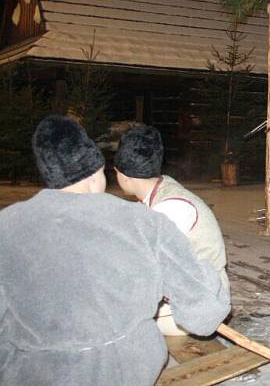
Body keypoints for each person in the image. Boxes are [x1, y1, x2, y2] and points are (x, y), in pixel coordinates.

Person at [0, 116, 229, 385]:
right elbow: (203, 315)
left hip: (32, 371)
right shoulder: (143, 223)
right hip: (124, 369)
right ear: (98, 173)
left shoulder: (6, 225)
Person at [114, 124, 229, 335]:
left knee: (108, 315)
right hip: (187, 291)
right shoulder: (160, 193)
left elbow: (143, 269)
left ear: (121, 175)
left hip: (201, 302)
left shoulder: (171, 207)